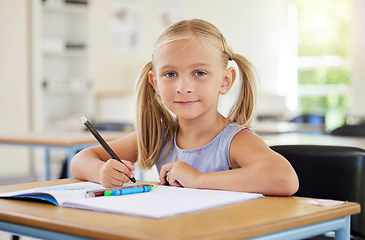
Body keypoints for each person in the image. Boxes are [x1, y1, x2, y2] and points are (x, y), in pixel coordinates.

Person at [71, 19, 299, 196]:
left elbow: (285, 178)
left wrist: (199, 180)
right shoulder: (160, 137)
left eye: (199, 73)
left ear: (225, 81)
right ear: (155, 83)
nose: (183, 87)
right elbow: (81, 159)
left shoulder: (234, 141)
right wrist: (101, 173)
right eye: (170, 74)